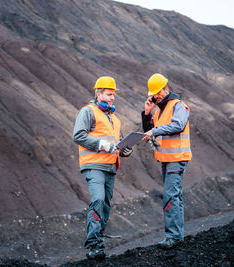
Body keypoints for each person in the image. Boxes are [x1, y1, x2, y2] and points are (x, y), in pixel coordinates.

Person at [73, 76, 132, 260]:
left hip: (110, 167)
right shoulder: (87, 112)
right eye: (108, 94)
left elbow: (118, 144)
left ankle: (99, 244)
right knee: (98, 200)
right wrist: (102, 145)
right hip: (93, 165)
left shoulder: (115, 119)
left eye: (113, 95)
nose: (112, 98)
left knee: (105, 206)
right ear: (98, 94)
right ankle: (92, 246)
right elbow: (78, 135)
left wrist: (126, 150)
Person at [141, 73, 192, 249]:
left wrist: (154, 132)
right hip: (166, 158)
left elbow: (178, 125)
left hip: (177, 158)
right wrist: (147, 114)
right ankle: (177, 236)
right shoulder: (159, 111)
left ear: (166, 89)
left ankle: (173, 237)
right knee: (174, 196)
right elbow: (150, 129)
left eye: (158, 92)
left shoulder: (178, 106)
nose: (156, 96)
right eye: (154, 93)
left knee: (171, 195)